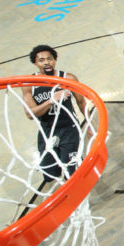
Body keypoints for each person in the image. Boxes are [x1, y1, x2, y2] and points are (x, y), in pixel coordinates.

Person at [22, 45, 87, 182]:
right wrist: (51, 100)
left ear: (55, 60)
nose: (46, 62)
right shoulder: (29, 83)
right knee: (49, 174)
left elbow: (81, 102)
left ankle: (78, 197)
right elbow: (30, 114)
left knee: (73, 172)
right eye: (41, 60)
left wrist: (89, 125)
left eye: (49, 59)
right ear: (35, 63)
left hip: (69, 129)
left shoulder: (68, 78)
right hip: (47, 130)